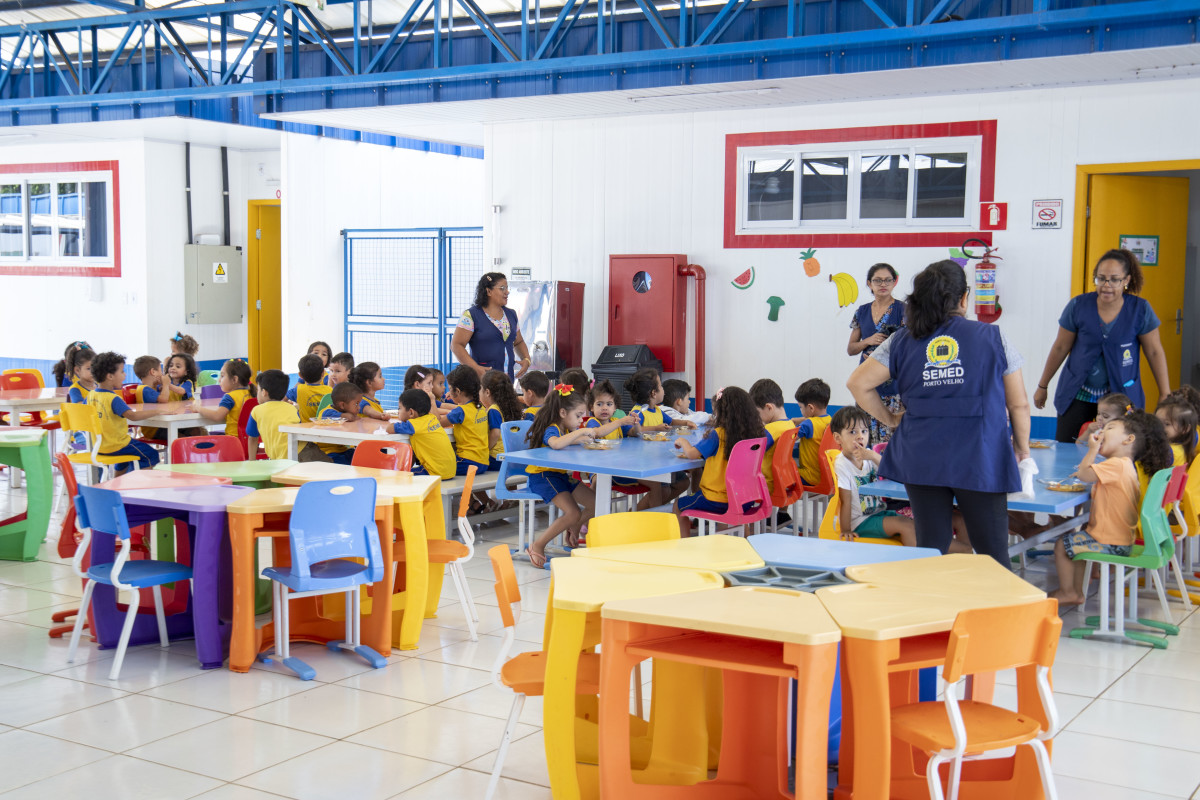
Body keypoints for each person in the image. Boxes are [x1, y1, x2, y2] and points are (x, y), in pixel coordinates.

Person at [847, 259, 1031, 566]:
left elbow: (857, 384)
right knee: (993, 553)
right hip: (980, 453)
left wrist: (891, 419)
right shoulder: (992, 337)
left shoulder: (901, 339)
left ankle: (933, 597)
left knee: (931, 546)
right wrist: (1022, 449)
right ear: (963, 298)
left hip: (921, 455)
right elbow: (1019, 404)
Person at [1033, 248, 1171, 442]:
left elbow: (1154, 352)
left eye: (1114, 279)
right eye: (1101, 279)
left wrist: (1164, 393)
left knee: (1120, 449)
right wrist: (1043, 385)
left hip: (1121, 398)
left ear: (1126, 280)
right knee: (1068, 447)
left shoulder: (1140, 310)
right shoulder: (1078, 306)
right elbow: (1060, 347)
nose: (1107, 285)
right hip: (1077, 394)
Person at [1050, 410, 1172, 604]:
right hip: (1121, 540)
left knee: (1061, 546)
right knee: (1079, 540)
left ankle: (1069, 592)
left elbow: (1084, 474)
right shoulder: (1125, 465)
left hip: (1110, 542)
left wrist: (1092, 450)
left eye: (1110, 428)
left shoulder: (1116, 465)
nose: (1102, 431)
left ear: (1128, 440)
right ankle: (1077, 592)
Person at [672, 387, 766, 537]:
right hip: (744, 499)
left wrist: (683, 441)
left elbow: (691, 454)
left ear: (721, 412)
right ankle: (745, 541)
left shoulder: (717, 435)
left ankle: (684, 546)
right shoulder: (755, 434)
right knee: (733, 513)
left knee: (678, 506)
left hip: (716, 499)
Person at [523, 387, 597, 565]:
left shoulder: (564, 428)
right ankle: (537, 545)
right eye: (578, 416)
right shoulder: (552, 428)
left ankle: (574, 525)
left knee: (596, 503)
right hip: (543, 476)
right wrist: (580, 432)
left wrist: (580, 439)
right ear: (563, 413)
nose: (581, 420)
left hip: (559, 475)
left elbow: (566, 442)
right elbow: (555, 444)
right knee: (573, 512)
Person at [830, 406, 917, 547]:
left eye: (864, 431)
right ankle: (918, 559)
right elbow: (845, 501)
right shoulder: (842, 464)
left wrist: (874, 456)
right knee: (906, 526)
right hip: (860, 521)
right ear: (838, 438)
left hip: (878, 513)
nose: (860, 436)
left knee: (913, 524)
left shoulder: (868, 457)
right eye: (853, 432)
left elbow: (892, 471)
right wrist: (846, 530)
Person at [847, 263, 906, 444]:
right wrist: (867, 341)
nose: (883, 284)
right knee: (863, 440)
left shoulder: (903, 310)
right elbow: (851, 349)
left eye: (888, 280)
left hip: (892, 386)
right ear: (869, 283)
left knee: (891, 441)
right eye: (878, 280)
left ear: (894, 282)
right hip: (866, 385)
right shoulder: (862, 311)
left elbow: (908, 348)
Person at [86, 352, 162, 472]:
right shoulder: (113, 398)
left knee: (124, 460)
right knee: (151, 454)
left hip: (99, 446)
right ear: (110, 376)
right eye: (122, 372)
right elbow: (133, 416)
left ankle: (118, 481)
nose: (125, 375)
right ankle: (137, 480)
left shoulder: (91, 395)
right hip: (118, 445)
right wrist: (157, 411)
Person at [451, 272, 533, 380]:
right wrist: (475, 368)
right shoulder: (471, 315)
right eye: (502, 288)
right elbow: (456, 345)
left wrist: (526, 359)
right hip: (483, 382)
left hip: (507, 381)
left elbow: (518, 342)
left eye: (507, 288)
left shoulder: (511, 314)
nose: (507, 292)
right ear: (488, 291)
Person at [586, 380, 655, 507]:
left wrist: (636, 423)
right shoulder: (593, 422)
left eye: (609, 404)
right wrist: (620, 422)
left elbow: (635, 433)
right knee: (597, 481)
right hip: (598, 468)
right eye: (599, 404)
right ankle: (591, 510)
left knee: (655, 482)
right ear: (591, 407)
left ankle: (648, 516)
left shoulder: (616, 422)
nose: (604, 408)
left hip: (619, 468)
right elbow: (597, 433)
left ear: (615, 408)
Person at [391, 388, 455, 479]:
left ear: (411, 412)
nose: (398, 411)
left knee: (400, 476)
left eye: (400, 408)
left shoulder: (413, 425)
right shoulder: (432, 418)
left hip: (434, 472)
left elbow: (390, 429)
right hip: (450, 471)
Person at [749, 378, 797, 498]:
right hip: (784, 481)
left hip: (765, 484)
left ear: (769, 407)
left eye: (757, 413)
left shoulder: (770, 430)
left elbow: (752, 453)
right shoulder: (790, 425)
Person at [445, 365, 491, 476]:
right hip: (483, 462)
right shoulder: (480, 407)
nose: (448, 392)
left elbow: (438, 421)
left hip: (467, 462)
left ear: (457, 391)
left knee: (436, 466)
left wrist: (431, 400)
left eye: (450, 389)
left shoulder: (460, 411)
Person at [247, 370, 301, 460]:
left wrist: (251, 461)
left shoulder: (256, 411)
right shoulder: (292, 408)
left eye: (258, 390)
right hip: (302, 450)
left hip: (282, 459)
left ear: (264, 392)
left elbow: (252, 439)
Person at [195, 359, 254, 437]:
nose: (219, 380)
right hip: (253, 440)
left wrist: (198, 408)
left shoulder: (230, 397)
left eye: (222, 376)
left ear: (234, 379)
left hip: (235, 439)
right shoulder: (253, 393)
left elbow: (217, 416)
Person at [307, 382, 362, 464]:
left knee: (361, 457)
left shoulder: (343, 411)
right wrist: (352, 417)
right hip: (327, 452)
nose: (359, 407)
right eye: (356, 404)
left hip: (342, 449)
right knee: (347, 464)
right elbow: (348, 417)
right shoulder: (327, 412)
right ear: (342, 405)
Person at [791, 378, 832, 487]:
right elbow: (816, 421)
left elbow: (789, 439)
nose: (800, 410)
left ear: (810, 408)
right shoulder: (830, 421)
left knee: (779, 473)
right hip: (827, 476)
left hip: (809, 476)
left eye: (800, 407)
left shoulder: (808, 425)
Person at [626, 367, 693, 432]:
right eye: (660, 386)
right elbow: (630, 430)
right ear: (654, 393)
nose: (663, 389)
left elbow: (672, 422)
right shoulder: (638, 412)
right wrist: (655, 429)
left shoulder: (657, 410)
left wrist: (686, 423)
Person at [481, 369, 523, 470]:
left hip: (496, 458)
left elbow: (495, 434)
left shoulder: (493, 410)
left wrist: (485, 450)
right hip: (512, 456)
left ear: (487, 392)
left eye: (480, 389)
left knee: (474, 459)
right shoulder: (510, 406)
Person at [164, 353, 206, 438]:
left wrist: (167, 385)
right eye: (171, 365)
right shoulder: (168, 382)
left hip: (187, 416)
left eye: (178, 366)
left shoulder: (187, 382)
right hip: (173, 415)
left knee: (196, 431)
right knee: (175, 434)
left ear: (186, 371)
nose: (173, 368)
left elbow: (181, 391)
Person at [131, 355, 170, 440]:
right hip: (153, 429)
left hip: (159, 424)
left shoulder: (151, 388)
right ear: (153, 372)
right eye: (160, 370)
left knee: (191, 431)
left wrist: (161, 387)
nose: (162, 374)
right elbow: (164, 399)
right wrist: (166, 384)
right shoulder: (145, 389)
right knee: (180, 436)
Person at [288, 354, 331, 422]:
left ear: (300, 375)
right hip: (324, 427)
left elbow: (282, 399)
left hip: (304, 427)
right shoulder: (329, 390)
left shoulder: (298, 390)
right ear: (323, 373)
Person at [1155, 396, 1197, 466]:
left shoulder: (1171, 452)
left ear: (1184, 429)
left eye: (1167, 424)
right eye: (1156, 421)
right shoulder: (1186, 444)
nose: (1159, 426)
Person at [317, 352, 355, 416]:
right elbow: (329, 396)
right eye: (331, 371)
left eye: (337, 371)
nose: (333, 374)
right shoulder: (334, 387)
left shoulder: (353, 390)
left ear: (350, 371)